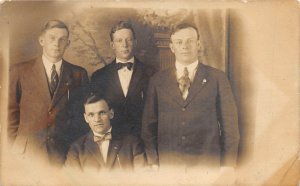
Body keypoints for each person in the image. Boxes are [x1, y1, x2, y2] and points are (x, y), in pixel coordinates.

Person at [142, 23, 240, 169]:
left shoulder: (217, 78)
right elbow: (148, 126)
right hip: (169, 166)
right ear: (172, 47)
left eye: (190, 41)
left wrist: (228, 166)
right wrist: (153, 162)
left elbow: (230, 127)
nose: (185, 46)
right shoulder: (157, 81)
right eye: (179, 42)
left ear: (198, 44)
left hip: (207, 165)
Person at [8, 20, 89, 166]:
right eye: (52, 38)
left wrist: (74, 148)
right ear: (41, 40)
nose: (56, 44)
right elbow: (10, 114)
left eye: (62, 40)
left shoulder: (79, 74)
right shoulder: (19, 71)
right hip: (26, 153)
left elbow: (82, 117)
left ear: (68, 44)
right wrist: (13, 147)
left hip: (63, 152)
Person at [91, 21, 154, 138]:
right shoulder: (99, 76)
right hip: (112, 140)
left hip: (142, 139)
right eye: (119, 41)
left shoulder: (151, 74)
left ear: (135, 42)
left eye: (129, 40)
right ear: (112, 45)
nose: (125, 45)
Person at [65, 92, 145, 172]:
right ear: (86, 118)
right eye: (91, 115)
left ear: (111, 113)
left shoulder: (132, 144)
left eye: (102, 113)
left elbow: (143, 179)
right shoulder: (76, 149)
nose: (97, 119)